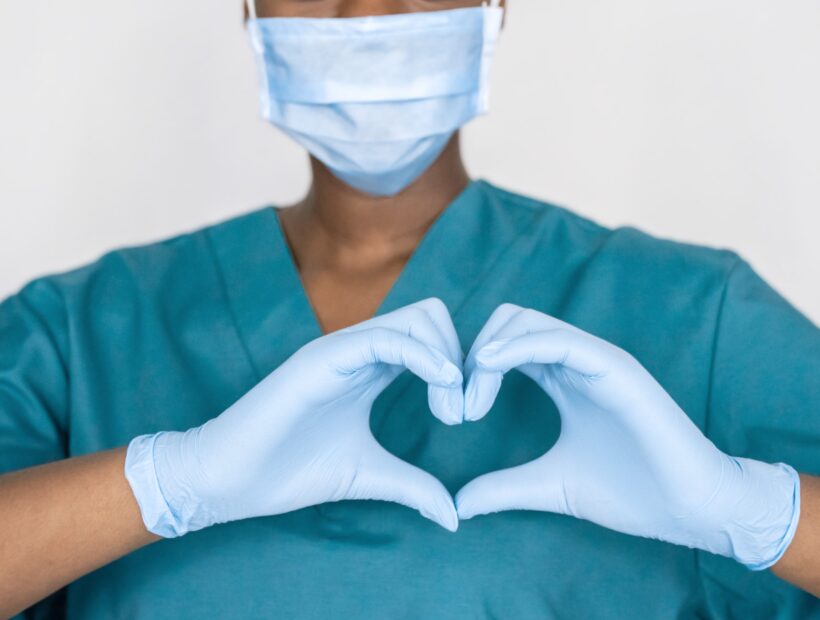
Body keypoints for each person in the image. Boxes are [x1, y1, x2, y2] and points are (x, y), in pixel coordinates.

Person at [1, 0, 819, 617]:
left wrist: (756, 513)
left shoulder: (699, 318)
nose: (365, 13)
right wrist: (165, 485)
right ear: (248, 10)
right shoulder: (75, 334)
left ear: (495, 5)